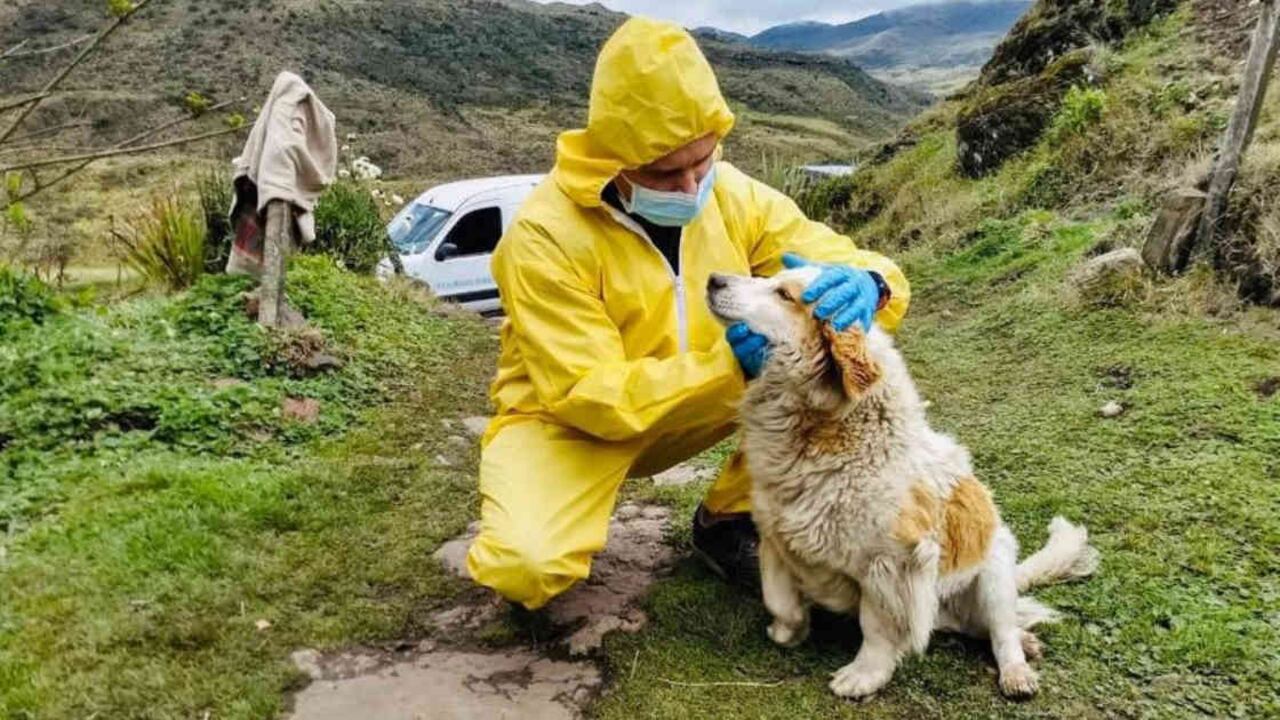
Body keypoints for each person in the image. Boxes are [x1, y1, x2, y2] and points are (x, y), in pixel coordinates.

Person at [464, 16, 911, 610]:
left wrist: (871, 286)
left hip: (704, 403)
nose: (687, 186)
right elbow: (590, 394)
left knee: (838, 376)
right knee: (525, 567)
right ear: (614, 157)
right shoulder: (542, 236)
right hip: (573, 423)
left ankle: (730, 518)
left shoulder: (734, 195)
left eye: (700, 161)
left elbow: (844, 262)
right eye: (663, 172)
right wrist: (731, 368)